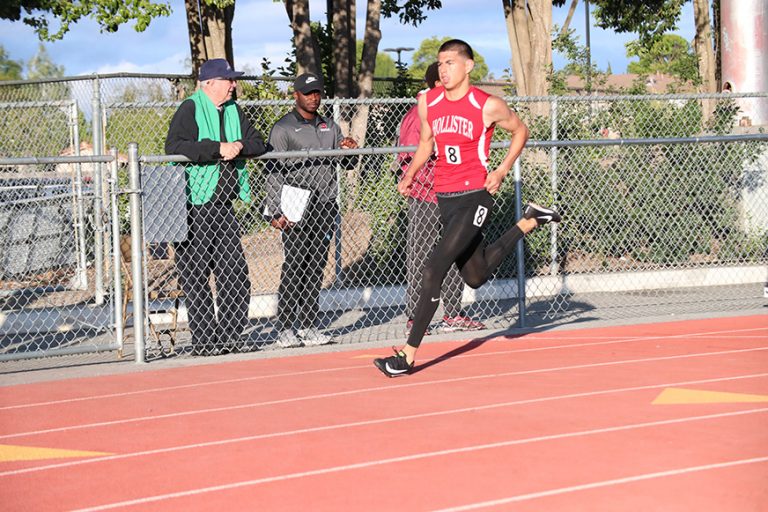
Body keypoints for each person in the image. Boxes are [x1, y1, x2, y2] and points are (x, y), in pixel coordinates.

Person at [374, 40, 561, 377]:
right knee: (475, 276)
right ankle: (531, 220)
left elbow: (521, 131)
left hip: (475, 195)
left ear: (468, 66)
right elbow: (426, 144)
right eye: (440, 64)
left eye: (449, 62)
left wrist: (501, 169)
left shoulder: (486, 105)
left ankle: (407, 355)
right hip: (444, 197)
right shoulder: (429, 101)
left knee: (433, 269)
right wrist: (410, 175)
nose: (443, 69)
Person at [165, 58, 269, 356]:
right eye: (228, 80)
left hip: (224, 205)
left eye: (234, 80)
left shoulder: (234, 110)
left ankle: (229, 336)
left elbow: (257, 143)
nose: (234, 85)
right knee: (196, 273)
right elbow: (174, 146)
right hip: (195, 204)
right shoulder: (191, 107)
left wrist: (236, 145)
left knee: (234, 272)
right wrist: (216, 148)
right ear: (209, 83)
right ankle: (205, 341)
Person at [264, 72, 358, 348]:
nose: (314, 98)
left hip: (326, 203)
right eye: (308, 93)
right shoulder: (282, 128)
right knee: (294, 266)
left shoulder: (330, 125)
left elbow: (348, 164)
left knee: (316, 267)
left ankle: (307, 326)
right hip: (294, 204)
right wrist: (274, 211)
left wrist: (350, 150)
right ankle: (284, 329)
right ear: (296, 95)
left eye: (317, 92)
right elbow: (272, 172)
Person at [397, 62, 486, 336]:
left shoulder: (457, 111)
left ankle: (453, 313)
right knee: (422, 255)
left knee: (456, 253)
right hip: (426, 195)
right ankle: (415, 316)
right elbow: (410, 155)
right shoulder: (420, 113)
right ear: (438, 84)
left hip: (455, 196)